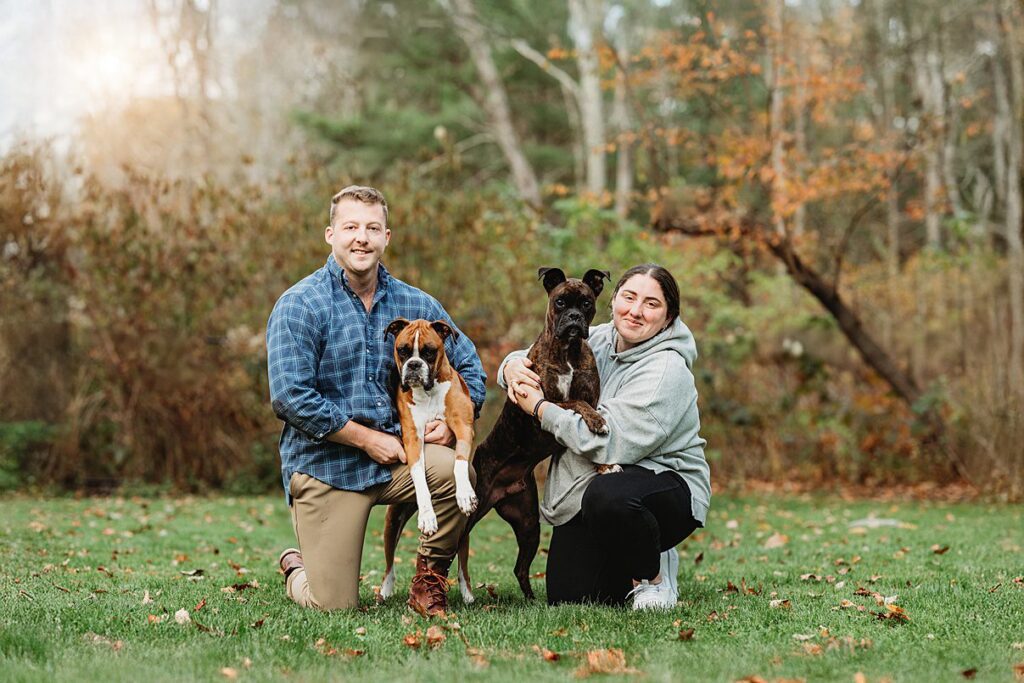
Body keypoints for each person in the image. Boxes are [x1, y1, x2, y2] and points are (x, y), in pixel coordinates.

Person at [266, 185, 486, 615]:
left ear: (388, 236)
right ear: (330, 234)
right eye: (350, 227)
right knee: (334, 605)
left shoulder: (417, 304)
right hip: (325, 465)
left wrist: (452, 417)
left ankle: (427, 581)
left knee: (458, 473)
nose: (361, 237)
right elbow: (290, 397)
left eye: (372, 228)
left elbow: (472, 371)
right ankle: (296, 569)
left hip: (404, 462)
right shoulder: (300, 305)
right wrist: (365, 439)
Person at [500, 263, 710, 609]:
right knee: (571, 594)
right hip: (602, 483)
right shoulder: (594, 338)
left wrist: (539, 408)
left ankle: (653, 576)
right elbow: (535, 352)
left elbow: (605, 443)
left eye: (652, 304)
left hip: (664, 484)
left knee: (610, 495)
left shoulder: (668, 371)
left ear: (669, 317)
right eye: (628, 297)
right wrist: (510, 368)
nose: (636, 311)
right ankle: (632, 552)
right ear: (612, 301)